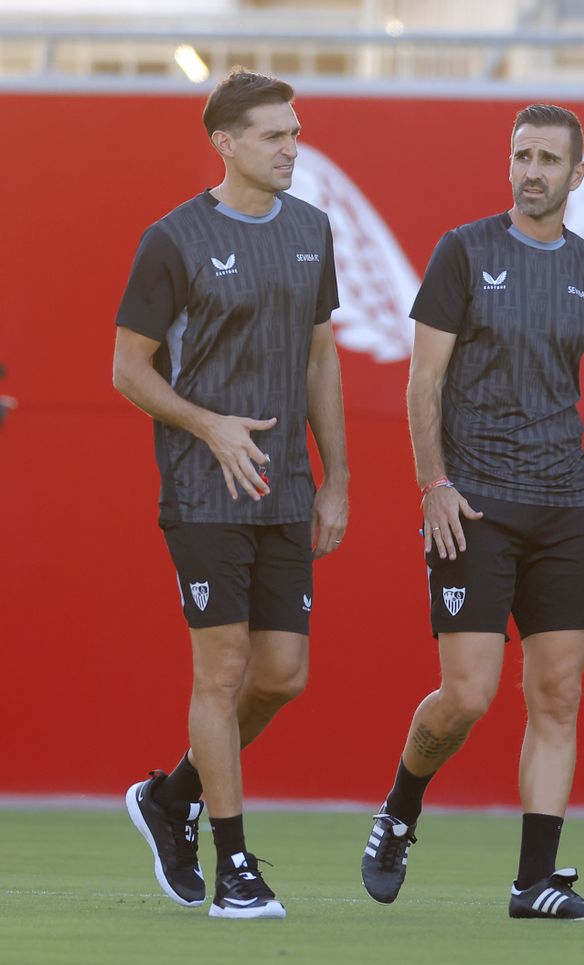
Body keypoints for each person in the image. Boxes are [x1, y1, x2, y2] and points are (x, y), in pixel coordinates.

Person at [359, 104, 584, 921]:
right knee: (467, 695)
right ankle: (400, 810)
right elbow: (423, 383)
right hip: (475, 503)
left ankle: (534, 883)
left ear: (578, 175)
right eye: (520, 155)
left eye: (547, 159)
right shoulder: (464, 251)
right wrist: (435, 486)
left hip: (566, 506)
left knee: (558, 695)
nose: (531, 170)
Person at [112, 69, 348, 919]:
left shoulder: (313, 231)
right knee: (223, 671)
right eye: (274, 135)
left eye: (295, 132)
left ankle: (168, 796)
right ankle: (235, 865)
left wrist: (338, 478)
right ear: (225, 143)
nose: (292, 147)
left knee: (281, 676)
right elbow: (127, 369)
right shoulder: (172, 238)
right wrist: (208, 425)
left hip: (287, 491)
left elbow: (322, 358)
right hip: (203, 491)